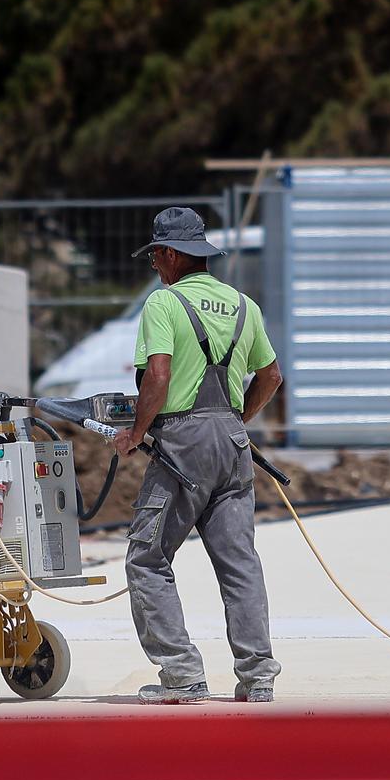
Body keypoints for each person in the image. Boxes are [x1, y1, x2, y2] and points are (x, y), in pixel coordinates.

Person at [111, 207, 284, 704]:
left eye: (154, 259)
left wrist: (134, 433)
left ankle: (182, 672)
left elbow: (159, 378)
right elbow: (271, 377)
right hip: (232, 444)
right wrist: (235, 425)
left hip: (182, 446)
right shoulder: (244, 306)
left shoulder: (163, 304)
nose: (154, 269)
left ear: (168, 255)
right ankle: (257, 677)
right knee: (239, 563)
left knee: (147, 559)